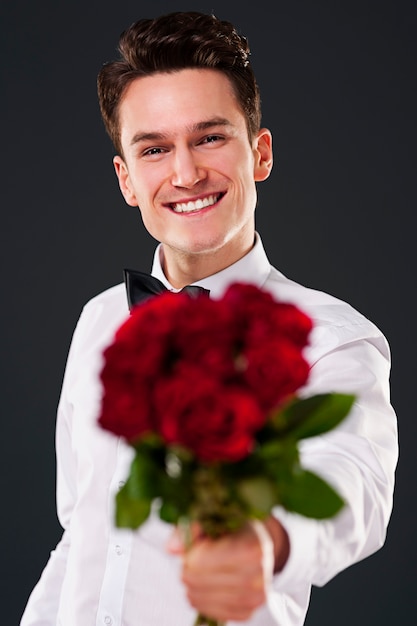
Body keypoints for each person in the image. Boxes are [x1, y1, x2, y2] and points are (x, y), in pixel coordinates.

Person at [20, 11, 398, 626]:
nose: (186, 173)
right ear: (126, 180)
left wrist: (267, 541)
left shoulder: (331, 338)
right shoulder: (98, 320)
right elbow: (81, 531)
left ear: (260, 153)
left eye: (211, 137)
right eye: (154, 149)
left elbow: (353, 489)